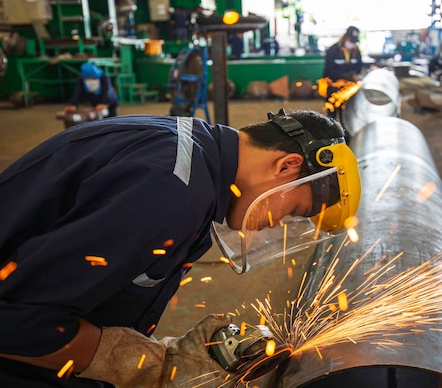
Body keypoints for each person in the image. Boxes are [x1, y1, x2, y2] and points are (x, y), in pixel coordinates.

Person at [0, 109, 361, 387]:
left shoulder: (193, 154)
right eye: (294, 210)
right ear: (287, 165)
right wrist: (155, 366)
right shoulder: (172, 193)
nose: (276, 223)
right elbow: (19, 325)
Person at [322, 26, 363, 123]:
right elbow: (329, 70)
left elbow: (359, 66)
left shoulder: (356, 51)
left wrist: (354, 74)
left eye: (354, 41)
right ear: (345, 37)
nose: (352, 43)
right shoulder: (333, 51)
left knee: (345, 115)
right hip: (333, 88)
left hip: (348, 90)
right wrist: (345, 75)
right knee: (332, 116)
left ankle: (345, 136)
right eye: (350, 40)